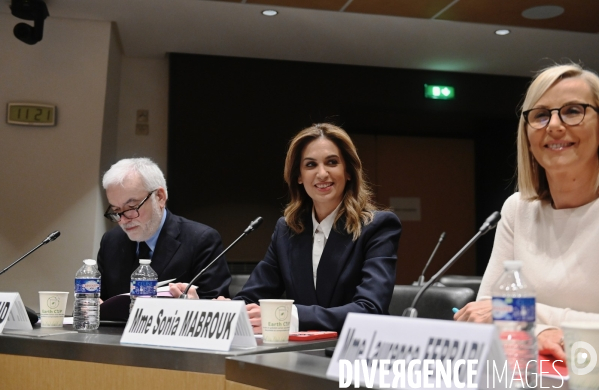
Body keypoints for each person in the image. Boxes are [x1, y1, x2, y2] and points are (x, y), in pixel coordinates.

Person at [171, 124, 401, 333]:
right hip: (299, 358)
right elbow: (252, 296)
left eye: (332, 162)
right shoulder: (287, 230)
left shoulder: (377, 226)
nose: (322, 173)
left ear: (348, 171)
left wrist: (289, 317)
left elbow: (370, 309)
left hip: (354, 356)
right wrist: (212, 308)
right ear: (299, 177)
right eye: (311, 165)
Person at [455, 63, 599, 360]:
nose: (554, 125)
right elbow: (486, 311)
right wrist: (541, 331)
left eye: (573, 111)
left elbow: (499, 312)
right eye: (541, 115)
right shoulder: (517, 209)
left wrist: (526, 315)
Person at [97, 157, 231, 301]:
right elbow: (102, 301)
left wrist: (195, 306)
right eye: (116, 210)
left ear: (160, 197)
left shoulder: (201, 240)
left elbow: (217, 307)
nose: (123, 220)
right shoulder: (111, 241)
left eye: (132, 207)